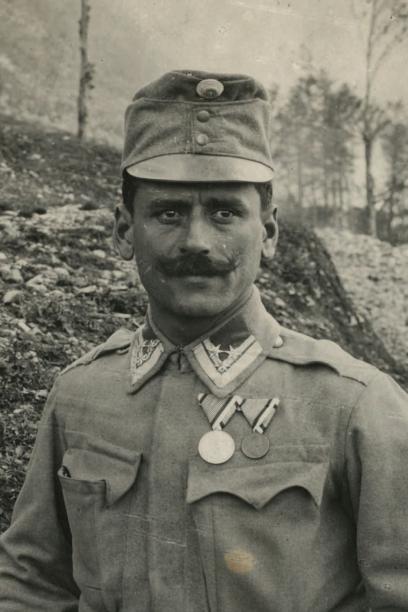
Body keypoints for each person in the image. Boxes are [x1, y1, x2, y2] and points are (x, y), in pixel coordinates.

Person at [1, 70, 408, 612]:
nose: (196, 241)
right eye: (168, 212)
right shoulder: (80, 395)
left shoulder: (355, 406)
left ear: (269, 232)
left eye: (224, 212)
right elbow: (30, 584)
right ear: (123, 230)